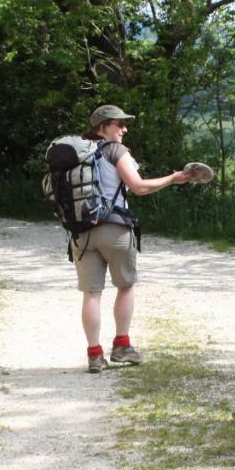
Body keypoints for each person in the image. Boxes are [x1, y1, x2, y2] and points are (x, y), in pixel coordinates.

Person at [74, 105, 188, 373]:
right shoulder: (115, 150)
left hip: (81, 231)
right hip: (114, 227)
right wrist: (172, 178)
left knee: (91, 294)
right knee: (125, 286)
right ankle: (122, 346)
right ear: (102, 127)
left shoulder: (79, 154)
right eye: (118, 124)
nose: (124, 130)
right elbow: (137, 186)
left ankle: (94, 354)